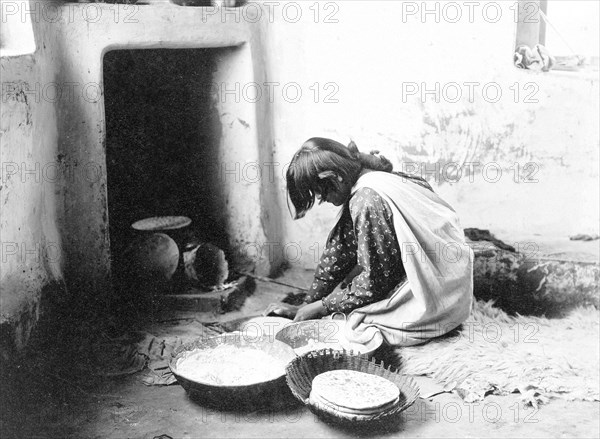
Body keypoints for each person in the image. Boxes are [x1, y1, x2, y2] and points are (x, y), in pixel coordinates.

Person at [264, 137, 473, 347]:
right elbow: (340, 250)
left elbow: (375, 281)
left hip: (440, 294)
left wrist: (323, 306)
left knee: (355, 329)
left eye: (321, 192)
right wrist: (307, 303)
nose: (321, 200)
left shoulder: (367, 200)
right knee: (346, 294)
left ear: (334, 177)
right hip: (449, 275)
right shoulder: (368, 180)